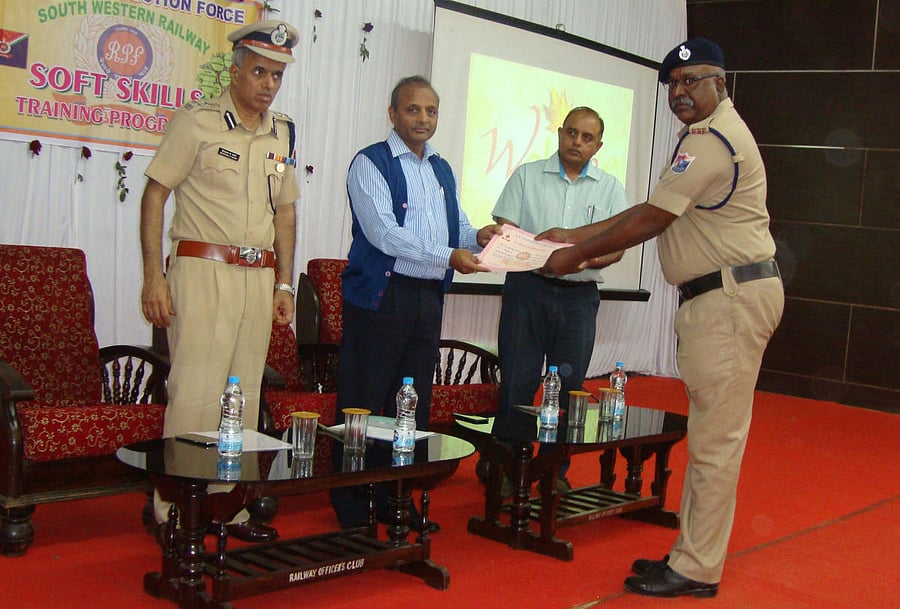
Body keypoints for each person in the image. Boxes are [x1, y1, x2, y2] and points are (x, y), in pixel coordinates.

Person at [539, 39, 784, 598]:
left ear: (720, 83)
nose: (679, 92)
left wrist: (573, 256)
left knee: (715, 442)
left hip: (730, 299)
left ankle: (697, 568)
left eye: (692, 80)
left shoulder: (712, 140)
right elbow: (658, 206)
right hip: (721, 297)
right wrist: (574, 235)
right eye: (673, 84)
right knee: (708, 437)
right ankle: (691, 555)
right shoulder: (704, 136)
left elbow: (652, 217)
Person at [140, 20, 301, 543]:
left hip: (258, 278)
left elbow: (286, 214)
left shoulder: (281, 133)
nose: (268, 84)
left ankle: (226, 508)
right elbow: (154, 195)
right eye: (259, 71)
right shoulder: (197, 123)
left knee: (242, 395)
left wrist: (284, 284)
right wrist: (152, 277)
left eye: (277, 75)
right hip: (202, 269)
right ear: (234, 71)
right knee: (195, 392)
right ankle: (172, 509)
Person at [330, 75, 501, 529]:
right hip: (381, 297)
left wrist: (478, 237)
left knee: (411, 403)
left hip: (427, 298)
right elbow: (384, 234)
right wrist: (449, 254)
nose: (423, 119)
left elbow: (456, 227)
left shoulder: (441, 168)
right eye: (412, 109)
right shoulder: (370, 163)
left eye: (431, 111)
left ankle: (396, 500)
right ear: (393, 114)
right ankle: (352, 507)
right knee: (364, 402)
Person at [492, 107, 628, 489]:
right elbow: (506, 227)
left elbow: (618, 246)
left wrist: (584, 257)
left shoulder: (610, 187)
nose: (577, 143)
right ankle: (507, 468)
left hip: (579, 298)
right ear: (559, 133)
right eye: (571, 133)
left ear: (598, 145)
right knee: (517, 380)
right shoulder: (527, 175)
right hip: (527, 291)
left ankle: (554, 472)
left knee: (570, 389)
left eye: (587, 138)